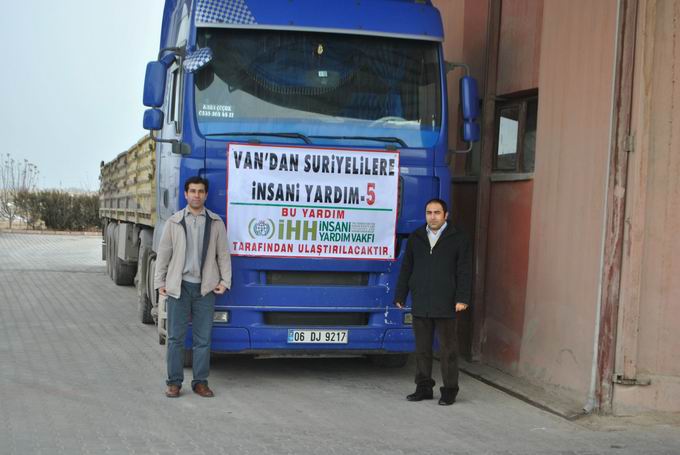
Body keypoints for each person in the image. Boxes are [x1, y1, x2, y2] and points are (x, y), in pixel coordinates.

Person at [154, 176, 231, 398]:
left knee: (203, 339)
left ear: (205, 195)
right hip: (179, 287)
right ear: (186, 194)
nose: (196, 195)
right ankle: (174, 383)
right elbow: (164, 254)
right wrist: (160, 282)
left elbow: (223, 254)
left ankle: (200, 382)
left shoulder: (215, 223)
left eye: (200, 191)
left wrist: (225, 281)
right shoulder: (174, 222)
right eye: (192, 191)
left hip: (205, 289)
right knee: (175, 338)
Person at [394, 198, 472, 405]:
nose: (433, 217)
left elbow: (464, 270)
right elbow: (407, 267)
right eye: (429, 212)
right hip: (421, 300)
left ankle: (449, 390)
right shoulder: (416, 237)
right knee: (422, 349)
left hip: (447, 302)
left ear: (446, 215)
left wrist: (462, 298)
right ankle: (423, 388)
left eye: (437, 212)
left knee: (448, 351)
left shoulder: (459, 238)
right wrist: (400, 294)